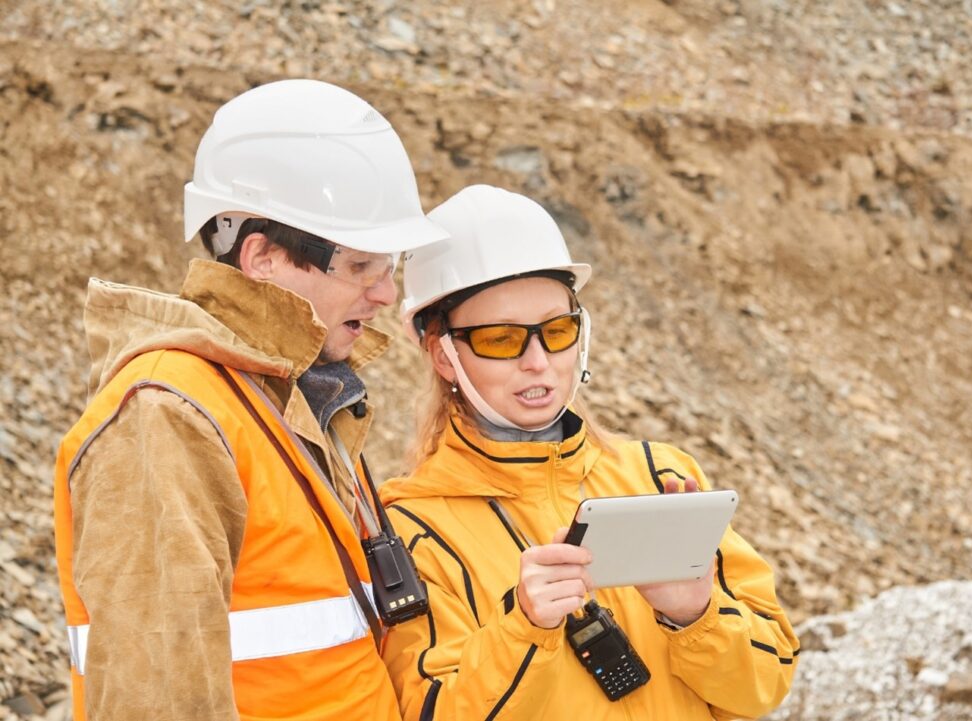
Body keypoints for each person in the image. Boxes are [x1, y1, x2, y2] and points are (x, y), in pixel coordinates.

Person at [52, 79, 449, 721]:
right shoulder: (167, 418)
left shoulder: (293, 398)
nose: (385, 294)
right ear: (263, 256)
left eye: (390, 266)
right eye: (360, 267)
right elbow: (157, 699)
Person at [379, 184, 799, 720]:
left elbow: (767, 686)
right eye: (500, 339)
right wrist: (524, 628)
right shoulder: (412, 528)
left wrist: (696, 615)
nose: (537, 361)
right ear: (443, 356)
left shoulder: (661, 478)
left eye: (556, 330)